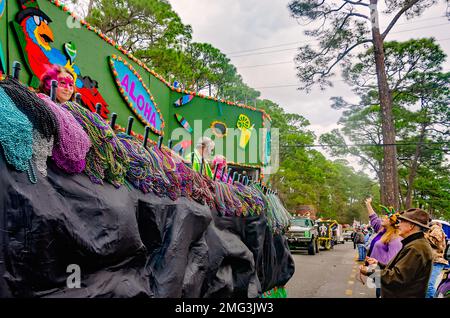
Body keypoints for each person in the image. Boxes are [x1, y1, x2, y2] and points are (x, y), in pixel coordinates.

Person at [361, 208, 433, 298]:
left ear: (411, 226)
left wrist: (370, 271)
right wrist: (378, 264)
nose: (398, 225)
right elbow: (400, 270)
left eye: (402, 221)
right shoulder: (415, 244)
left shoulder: (416, 248)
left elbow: (397, 278)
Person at [363, 198, 402, 298]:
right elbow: (374, 219)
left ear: (391, 222)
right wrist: (368, 204)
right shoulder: (383, 230)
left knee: (381, 294)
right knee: (377, 292)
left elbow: (392, 261)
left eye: (385, 218)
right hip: (377, 270)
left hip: (384, 274)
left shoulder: (395, 238)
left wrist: (376, 268)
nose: (382, 219)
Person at [425, 221, 448, 298]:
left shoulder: (436, 229)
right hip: (433, 260)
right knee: (425, 285)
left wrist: (424, 236)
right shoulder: (434, 230)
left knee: (429, 286)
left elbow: (433, 241)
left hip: (437, 261)